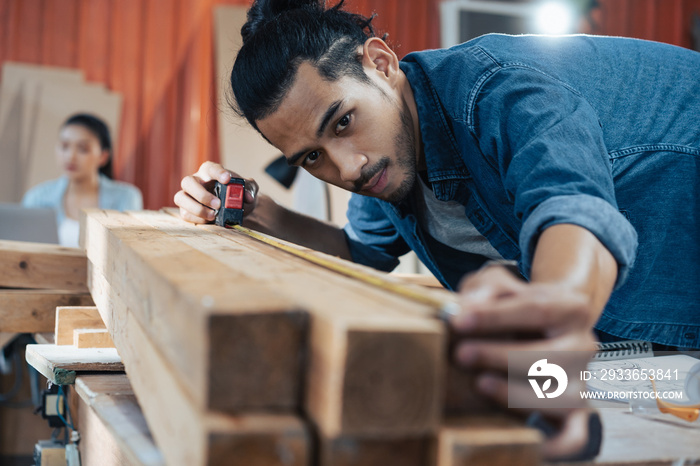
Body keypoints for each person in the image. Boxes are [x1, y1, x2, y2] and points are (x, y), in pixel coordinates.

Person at [175, 0, 700, 459]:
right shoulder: (388, 164)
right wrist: (247, 210)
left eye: (342, 122)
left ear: (380, 63)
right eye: (312, 156)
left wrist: (558, 307)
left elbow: (571, 206)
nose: (349, 167)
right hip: (648, 350)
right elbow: (358, 254)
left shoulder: (496, 88)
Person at [22, 113, 142, 247]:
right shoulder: (37, 198)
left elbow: (128, 251)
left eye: (83, 149)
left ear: (103, 156)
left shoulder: (126, 197)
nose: (70, 156)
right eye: (64, 146)